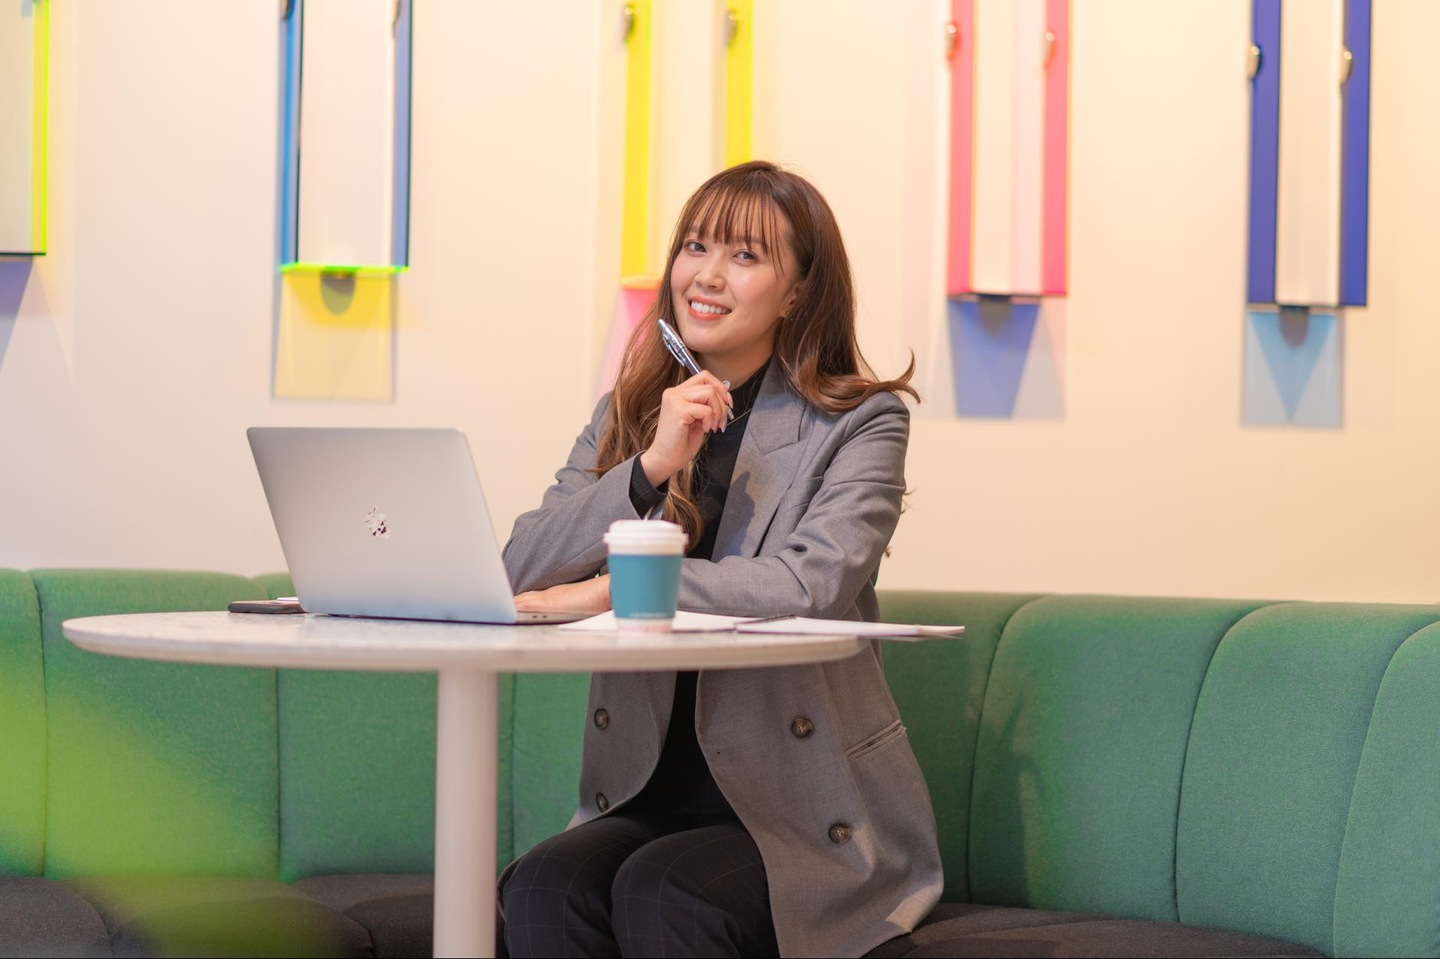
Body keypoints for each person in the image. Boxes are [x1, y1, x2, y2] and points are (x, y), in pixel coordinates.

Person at [497, 160, 941, 958]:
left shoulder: (860, 421)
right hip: (648, 791)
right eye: (695, 246)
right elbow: (519, 568)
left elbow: (811, 582)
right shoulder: (632, 412)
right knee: (541, 883)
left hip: (796, 807)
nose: (705, 275)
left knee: (666, 889)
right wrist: (647, 468)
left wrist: (617, 591)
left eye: (745, 255)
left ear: (797, 292)